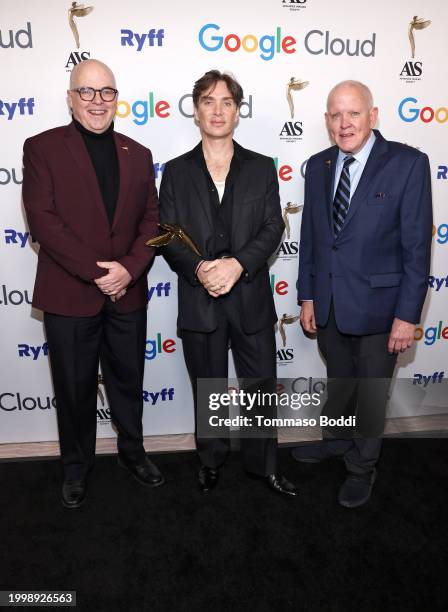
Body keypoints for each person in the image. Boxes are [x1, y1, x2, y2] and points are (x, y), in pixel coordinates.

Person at [22, 59, 164, 509]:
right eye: (87, 92)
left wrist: (131, 267)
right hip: (70, 293)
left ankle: (132, 452)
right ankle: (76, 467)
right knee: (74, 386)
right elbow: (44, 223)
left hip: (127, 291)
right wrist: (102, 272)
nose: (97, 101)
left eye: (106, 92)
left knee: (128, 380)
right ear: (70, 98)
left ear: (116, 99)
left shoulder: (138, 153)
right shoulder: (42, 148)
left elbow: (152, 221)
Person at [159, 70, 297, 497]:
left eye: (226, 102)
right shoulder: (177, 172)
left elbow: (273, 227)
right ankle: (212, 459)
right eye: (208, 101)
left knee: (259, 387)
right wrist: (201, 269)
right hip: (200, 299)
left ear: (238, 111)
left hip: (251, 297)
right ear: (196, 109)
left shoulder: (260, 167)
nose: (217, 110)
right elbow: (166, 232)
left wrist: (237, 265)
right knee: (209, 386)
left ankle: (264, 466)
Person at [294, 80, 432, 507]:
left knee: (371, 393)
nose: (344, 123)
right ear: (326, 121)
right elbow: (313, 238)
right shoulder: (317, 165)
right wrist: (308, 296)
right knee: (340, 383)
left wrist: (407, 316)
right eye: (335, 115)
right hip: (330, 303)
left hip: (382, 308)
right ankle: (335, 442)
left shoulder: (408, 164)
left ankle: (361, 467)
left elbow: (416, 247)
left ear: (372, 116)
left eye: (353, 113)